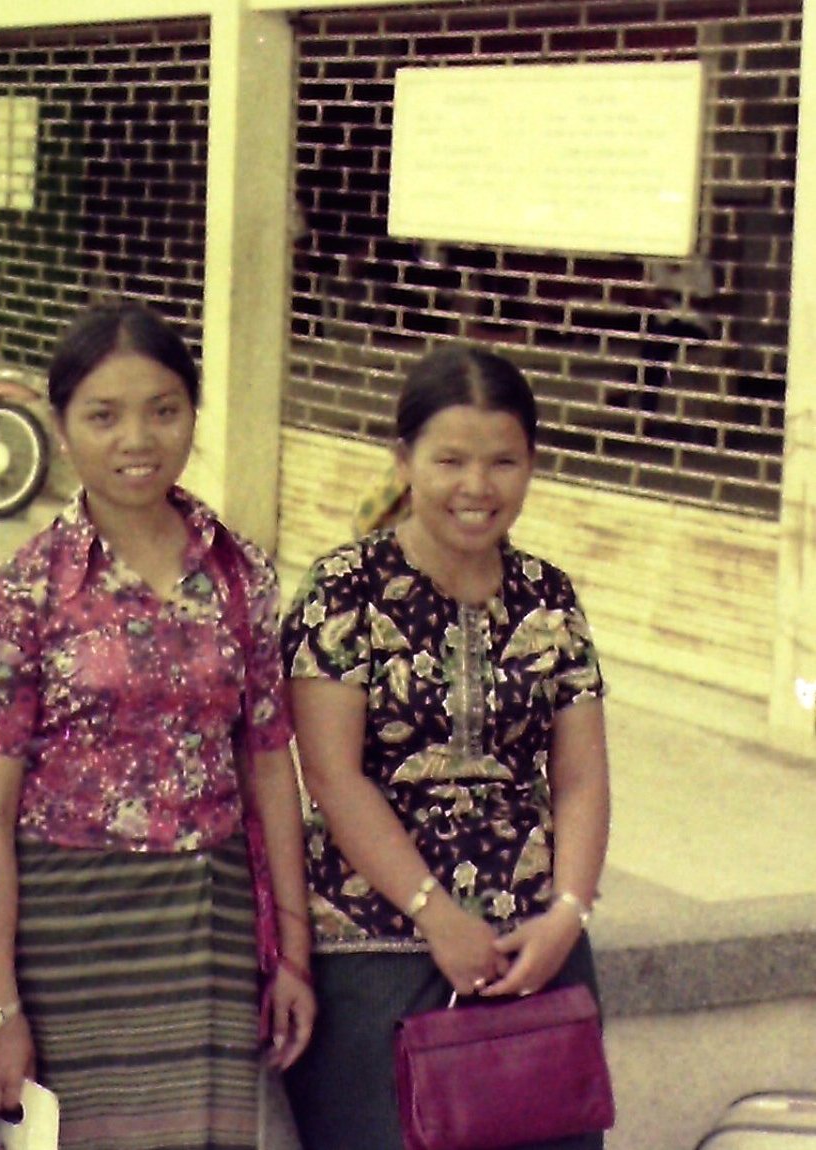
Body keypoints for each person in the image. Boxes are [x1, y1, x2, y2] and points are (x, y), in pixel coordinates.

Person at [0, 304, 316, 1150]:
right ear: (60, 425)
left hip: (212, 924)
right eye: (103, 415)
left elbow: (272, 766)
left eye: (163, 410)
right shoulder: (25, 591)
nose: (138, 439)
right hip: (72, 933)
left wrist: (294, 955)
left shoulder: (242, 575)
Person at [279, 344, 611, 1150]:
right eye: (451, 460)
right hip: (379, 950)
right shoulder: (344, 589)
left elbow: (580, 779)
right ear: (405, 460)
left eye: (503, 461)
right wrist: (435, 913)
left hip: (534, 958)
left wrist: (567, 913)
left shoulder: (548, 595)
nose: (477, 487)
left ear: (532, 464)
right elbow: (330, 775)